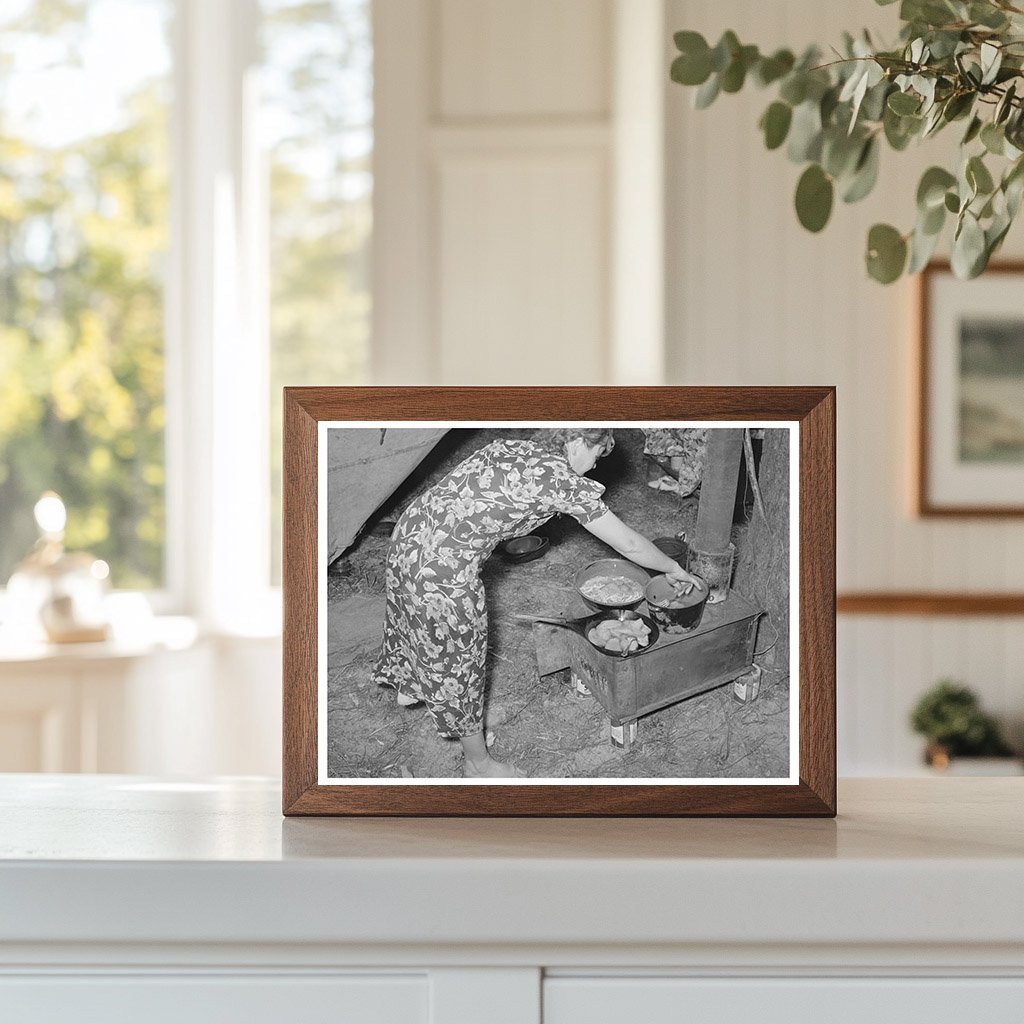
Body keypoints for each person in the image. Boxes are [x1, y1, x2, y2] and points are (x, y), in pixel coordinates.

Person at [371, 429, 701, 778]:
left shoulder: (517, 447)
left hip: (408, 535)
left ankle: (416, 687)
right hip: (441, 571)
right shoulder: (560, 481)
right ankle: (478, 764)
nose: (592, 467)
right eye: (596, 455)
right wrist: (671, 567)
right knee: (461, 660)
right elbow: (630, 545)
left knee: (418, 624)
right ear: (577, 442)